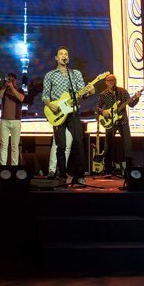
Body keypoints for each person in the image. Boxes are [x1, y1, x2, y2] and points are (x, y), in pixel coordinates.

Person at [42, 46, 94, 185]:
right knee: (61, 145)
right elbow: (45, 96)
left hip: (73, 112)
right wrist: (50, 105)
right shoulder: (50, 75)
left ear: (68, 58)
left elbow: (82, 94)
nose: (64, 56)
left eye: (66, 54)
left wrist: (90, 92)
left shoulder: (75, 74)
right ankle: (62, 174)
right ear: (56, 58)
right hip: (57, 113)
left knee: (78, 142)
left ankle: (80, 176)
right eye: (61, 54)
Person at [96, 74, 141, 176]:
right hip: (110, 122)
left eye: (113, 80)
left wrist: (137, 98)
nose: (112, 81)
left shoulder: (122, 91)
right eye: (109, 80)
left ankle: (129, 170)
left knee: (128, 145)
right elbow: (98, 108)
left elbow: (131, 104)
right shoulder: (103, 94)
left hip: (123, 121)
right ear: (106, 82)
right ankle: (108, 170)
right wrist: (103, 112)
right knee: (108, 146)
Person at [0, 73, 25, 165]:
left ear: (15, 80)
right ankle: (2, 166)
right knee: (3, 145)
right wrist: (4, 87)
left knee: (15, 146)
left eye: (12, 79)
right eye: (8, 79)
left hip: (16, 121)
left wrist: (12, 88)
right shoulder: (4, 90)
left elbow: (21, 98)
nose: (10, 81)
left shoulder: (20, 90)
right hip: (4, 121)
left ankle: (14, 166)